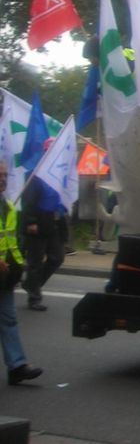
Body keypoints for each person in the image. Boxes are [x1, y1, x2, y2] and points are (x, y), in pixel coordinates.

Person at [0, 160, 44, 385]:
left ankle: (17, 366)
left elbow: (10, 241)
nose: (3, 179)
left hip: (4, 277)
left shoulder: (7, 206)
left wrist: (18, 267)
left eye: (5, 175)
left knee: (8, 320)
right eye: (0, 175)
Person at [19, 138, 67, 311]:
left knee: (57, 257)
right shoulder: (36, 173)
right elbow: (28, 200)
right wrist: (31, 221)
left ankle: (32, 285)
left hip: (55, 222)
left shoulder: (61, 172)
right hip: (38, 224)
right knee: (35, 262)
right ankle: (34, 297)